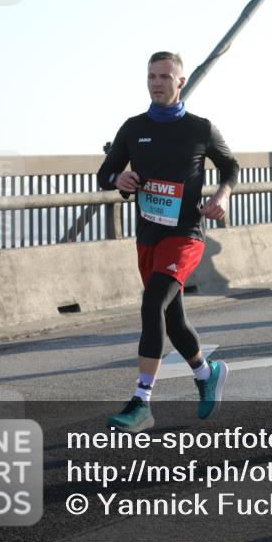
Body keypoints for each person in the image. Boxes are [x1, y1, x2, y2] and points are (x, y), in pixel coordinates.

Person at [96, 51, 239, 433]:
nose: (156, 83)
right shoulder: (133, 128)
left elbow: (231, 167)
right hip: (148, 237)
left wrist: (222, 195)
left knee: (152, 301)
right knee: (172, 318)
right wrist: (118, 179)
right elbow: (105, 173)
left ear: (180, 81)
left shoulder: (200, 128)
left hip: (185, 235)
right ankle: (206, 373)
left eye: (164, 76)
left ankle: (142, 401)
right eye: (151, 76)